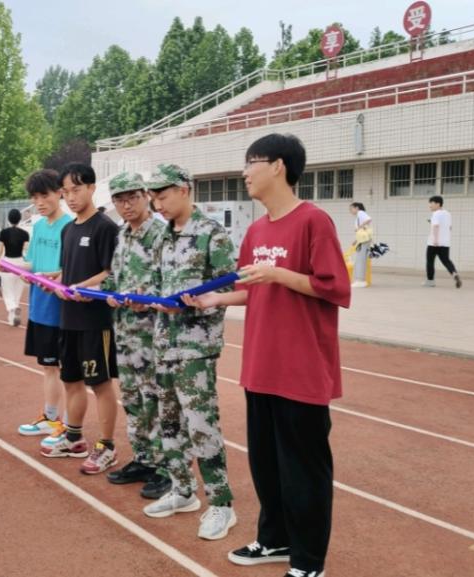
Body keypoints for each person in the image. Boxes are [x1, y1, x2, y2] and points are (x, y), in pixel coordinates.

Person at [187, 134, 350, 576]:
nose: (244, 172)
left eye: (251, 162)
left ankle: (309, 561)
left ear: (278, 166)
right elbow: (251, 289)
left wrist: (278, 273)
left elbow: (334, 287)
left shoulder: (314, 221)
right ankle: (275, 538)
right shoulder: (257, 230)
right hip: (261, 366)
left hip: (301, 370)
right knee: (266, 464)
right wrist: (216, 299)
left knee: (304, 469)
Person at [142, 164, 237, 541]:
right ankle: (182, 489)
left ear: (184, 190)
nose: (158, 205)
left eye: (163, 196)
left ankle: (221, 503)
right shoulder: (163, 237)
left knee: (201, 425)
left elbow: (229, 289)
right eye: (154, 198)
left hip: (196, 347)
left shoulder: (212, 234)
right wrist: (151, 301)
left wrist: (195, 304)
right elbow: (157, 283)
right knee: (168, 422)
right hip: (163, 342)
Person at [39, 163, 121, 477]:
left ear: (91, 188)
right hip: (68, 318)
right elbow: (68, 270)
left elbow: (110, 272)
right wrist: (55, 279)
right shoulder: (68, 229)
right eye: (66, 192)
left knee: (99, 384)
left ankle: (107, 446)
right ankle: (74, 438)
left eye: (77, 190)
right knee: (70, 380)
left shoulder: (105, 227)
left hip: (95, 321)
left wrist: (82, 287)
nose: (71, 197)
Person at [101, 172, 170, 500]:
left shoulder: (161, 234)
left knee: (156, 399)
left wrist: (147, 297)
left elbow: (172, 281)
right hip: (126, 332)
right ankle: (143, 458)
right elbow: (116, 276)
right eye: (119, 199)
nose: (126, 205)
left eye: (132, 197)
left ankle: (166, 467)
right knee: (132, 398)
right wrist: (108, 292)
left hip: (152, 333)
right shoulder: (122, 235)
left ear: (146, 197)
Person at [16, 170, 72, 437]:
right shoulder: (37, 227)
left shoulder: (70, 227)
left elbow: (72, 270)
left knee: (70, 371)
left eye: (44, 195)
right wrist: (11, 267)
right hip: (39, 307)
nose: (39, 202)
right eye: (34, 197)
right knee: (48, 366)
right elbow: (33, 265)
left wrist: (56, 277)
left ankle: (70, 426)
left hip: (62, 309)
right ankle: (50, 418)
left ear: (59, 193)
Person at [0, 208, 30, 326]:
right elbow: (27, 250)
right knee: (17, 290)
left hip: (7, 263)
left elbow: (0, 249)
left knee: (7, 290)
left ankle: (13, 307)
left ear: (9, 219)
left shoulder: (4, 233)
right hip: (20, 263)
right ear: (19, 219)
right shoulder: (25, 234)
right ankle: (12, 316)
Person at [424, 196, 462, 288]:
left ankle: (430, 281)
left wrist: (435, 240)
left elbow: (436, 226)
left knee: (430, 262)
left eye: (431, 203)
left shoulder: (436, 213)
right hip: (445, 243)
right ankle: (454, 273)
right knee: (446, 261)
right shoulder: (448, 214)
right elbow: (449, 227)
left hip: (434, 243)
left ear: (438, 204)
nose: (430, 205)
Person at [348, 202, 372, 288]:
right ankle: (360, 280)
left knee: (360, 260)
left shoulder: (360, 213)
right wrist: (356, 240)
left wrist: (359, 227)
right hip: (362, 240)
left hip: (363, 240)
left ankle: (360, 281)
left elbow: (369, 219)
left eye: (351, 208)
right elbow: (363, 230)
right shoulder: (359, 215)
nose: (350, 211)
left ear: (357, 208)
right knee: (360, 260)